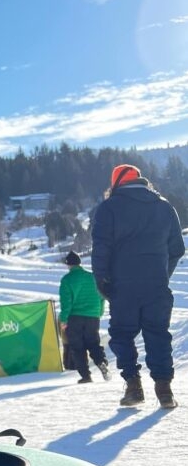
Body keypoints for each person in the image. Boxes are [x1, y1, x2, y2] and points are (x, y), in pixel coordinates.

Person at [91, 163, 185, 409]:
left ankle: (133, 386)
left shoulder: (108, 208)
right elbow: (177, 249)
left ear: (116, 184)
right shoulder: (164, 206)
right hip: (156, 286)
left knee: (122, 334)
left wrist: (102, 281)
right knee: (157, 334)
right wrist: (162, 274)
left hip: (123, 287)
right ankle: (164, 390)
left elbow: (101, 249)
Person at [58, 251, 109, 385]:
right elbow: (102, 297)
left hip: (74, 318)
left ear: (68, 265)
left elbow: (66, 303)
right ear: (80, 263)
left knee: (77, 347)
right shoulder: (92, 277)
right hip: (93, 317)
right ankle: (101, 362)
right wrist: (99, 312)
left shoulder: (67, 280)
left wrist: (63, 320)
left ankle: (86, 376)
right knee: (93, 343)